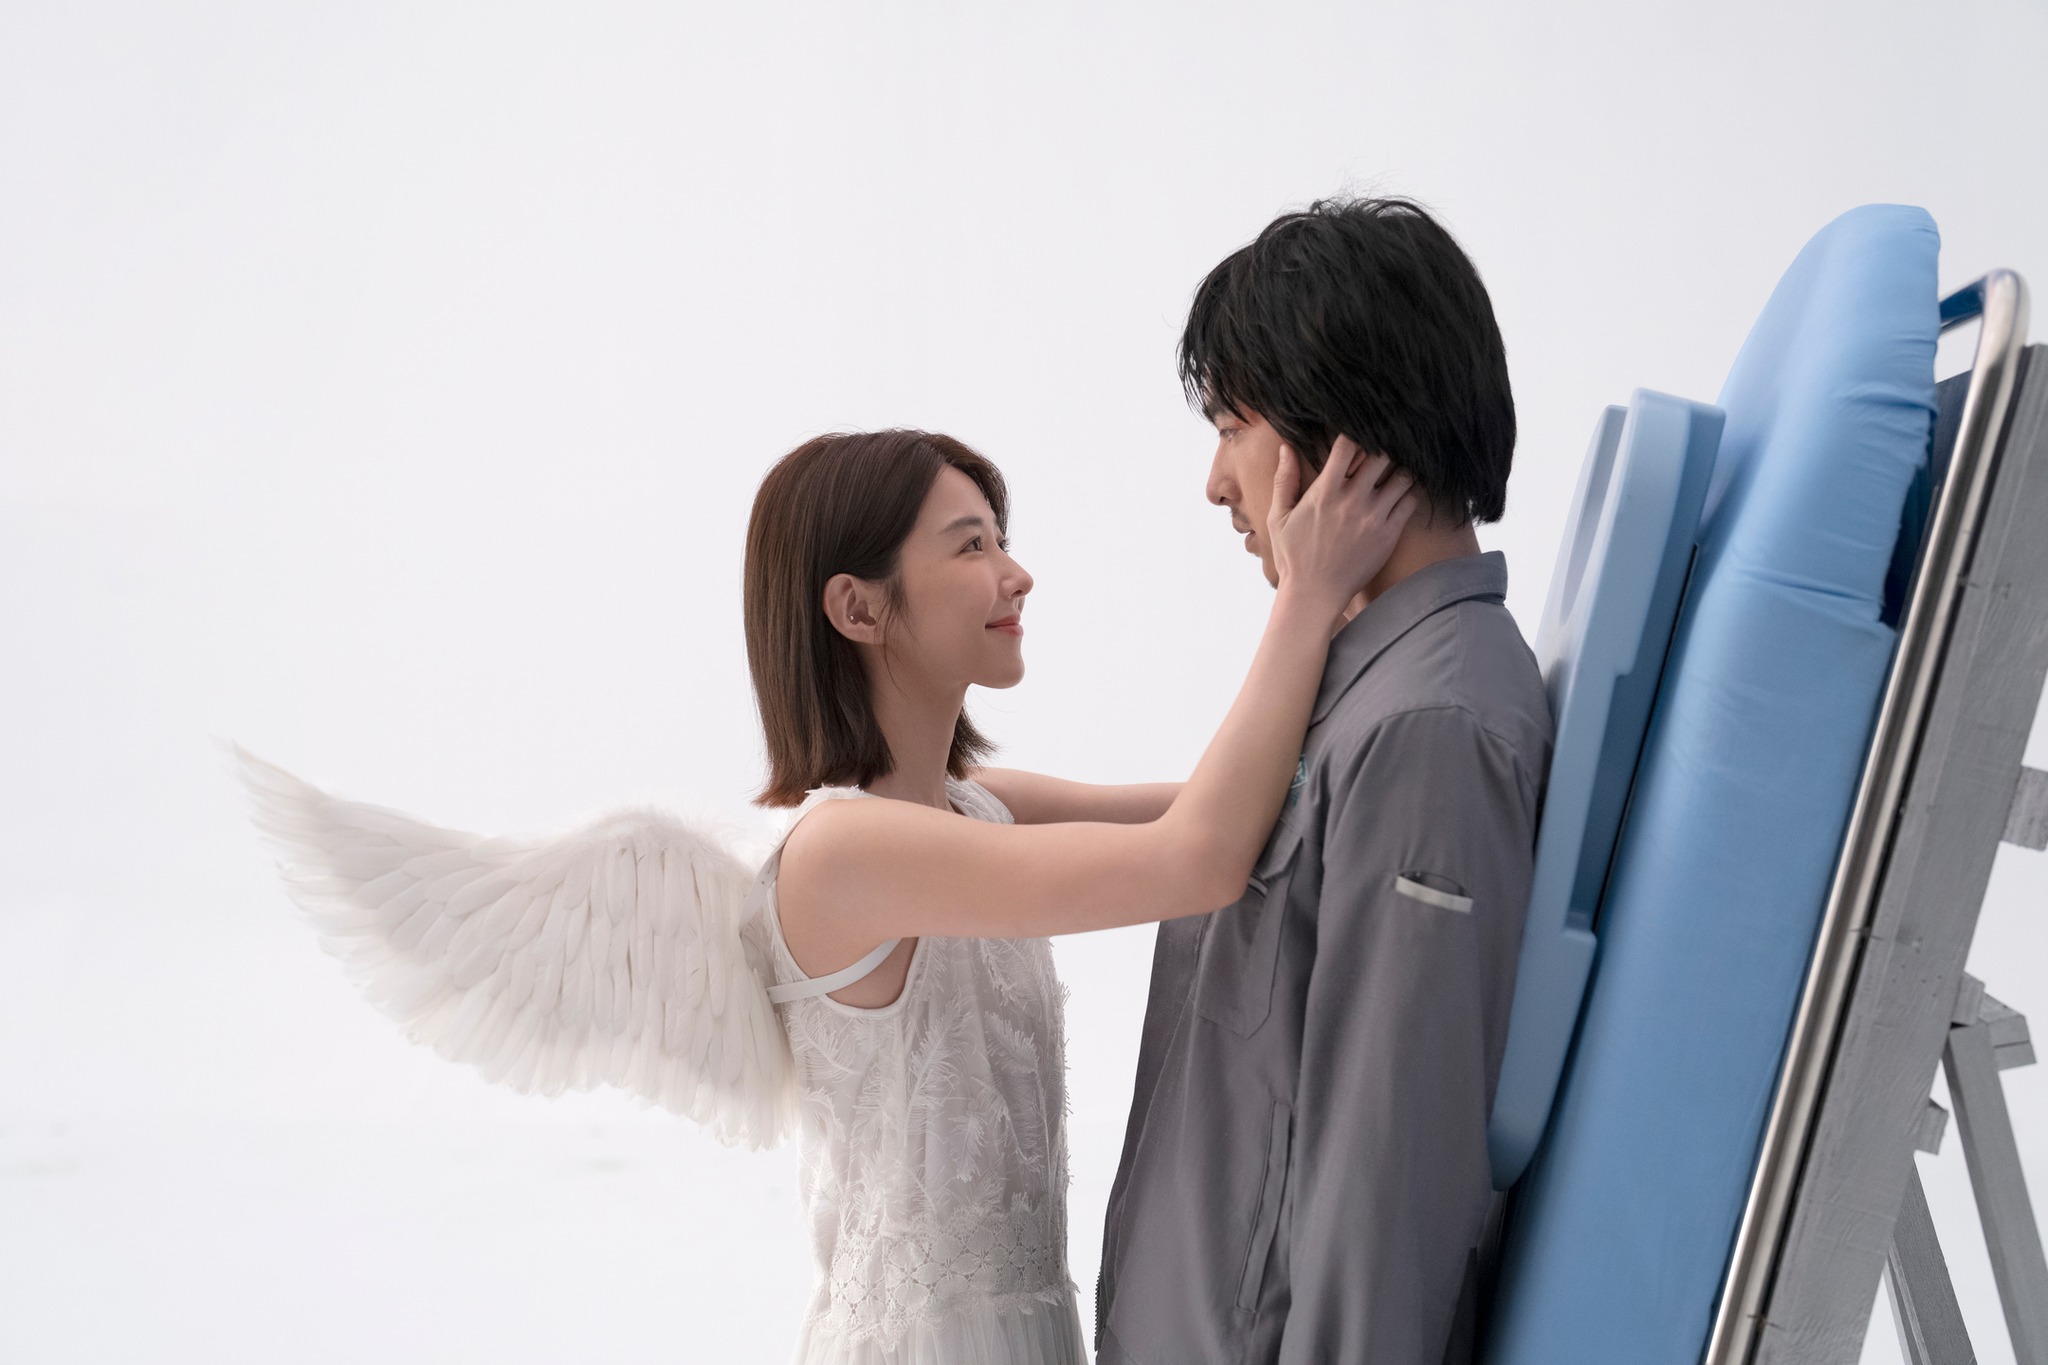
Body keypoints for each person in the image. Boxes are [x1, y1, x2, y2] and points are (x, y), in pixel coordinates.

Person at [238, 423, 1416, 1365]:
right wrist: (1305, 596)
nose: (1014, 574)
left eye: (1000, 538)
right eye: (969, 546)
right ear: (858, 609)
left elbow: (1242, 807)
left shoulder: (977, 811)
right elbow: (1195, 864)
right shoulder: (841, 853)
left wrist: (1368, 639)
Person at [1093, 198, 1555, 1365]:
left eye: (1230, 426)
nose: (1215, 483)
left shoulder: (1427, 732)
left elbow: (1383, 1188)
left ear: (1343, 440)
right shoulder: (1362, 690)